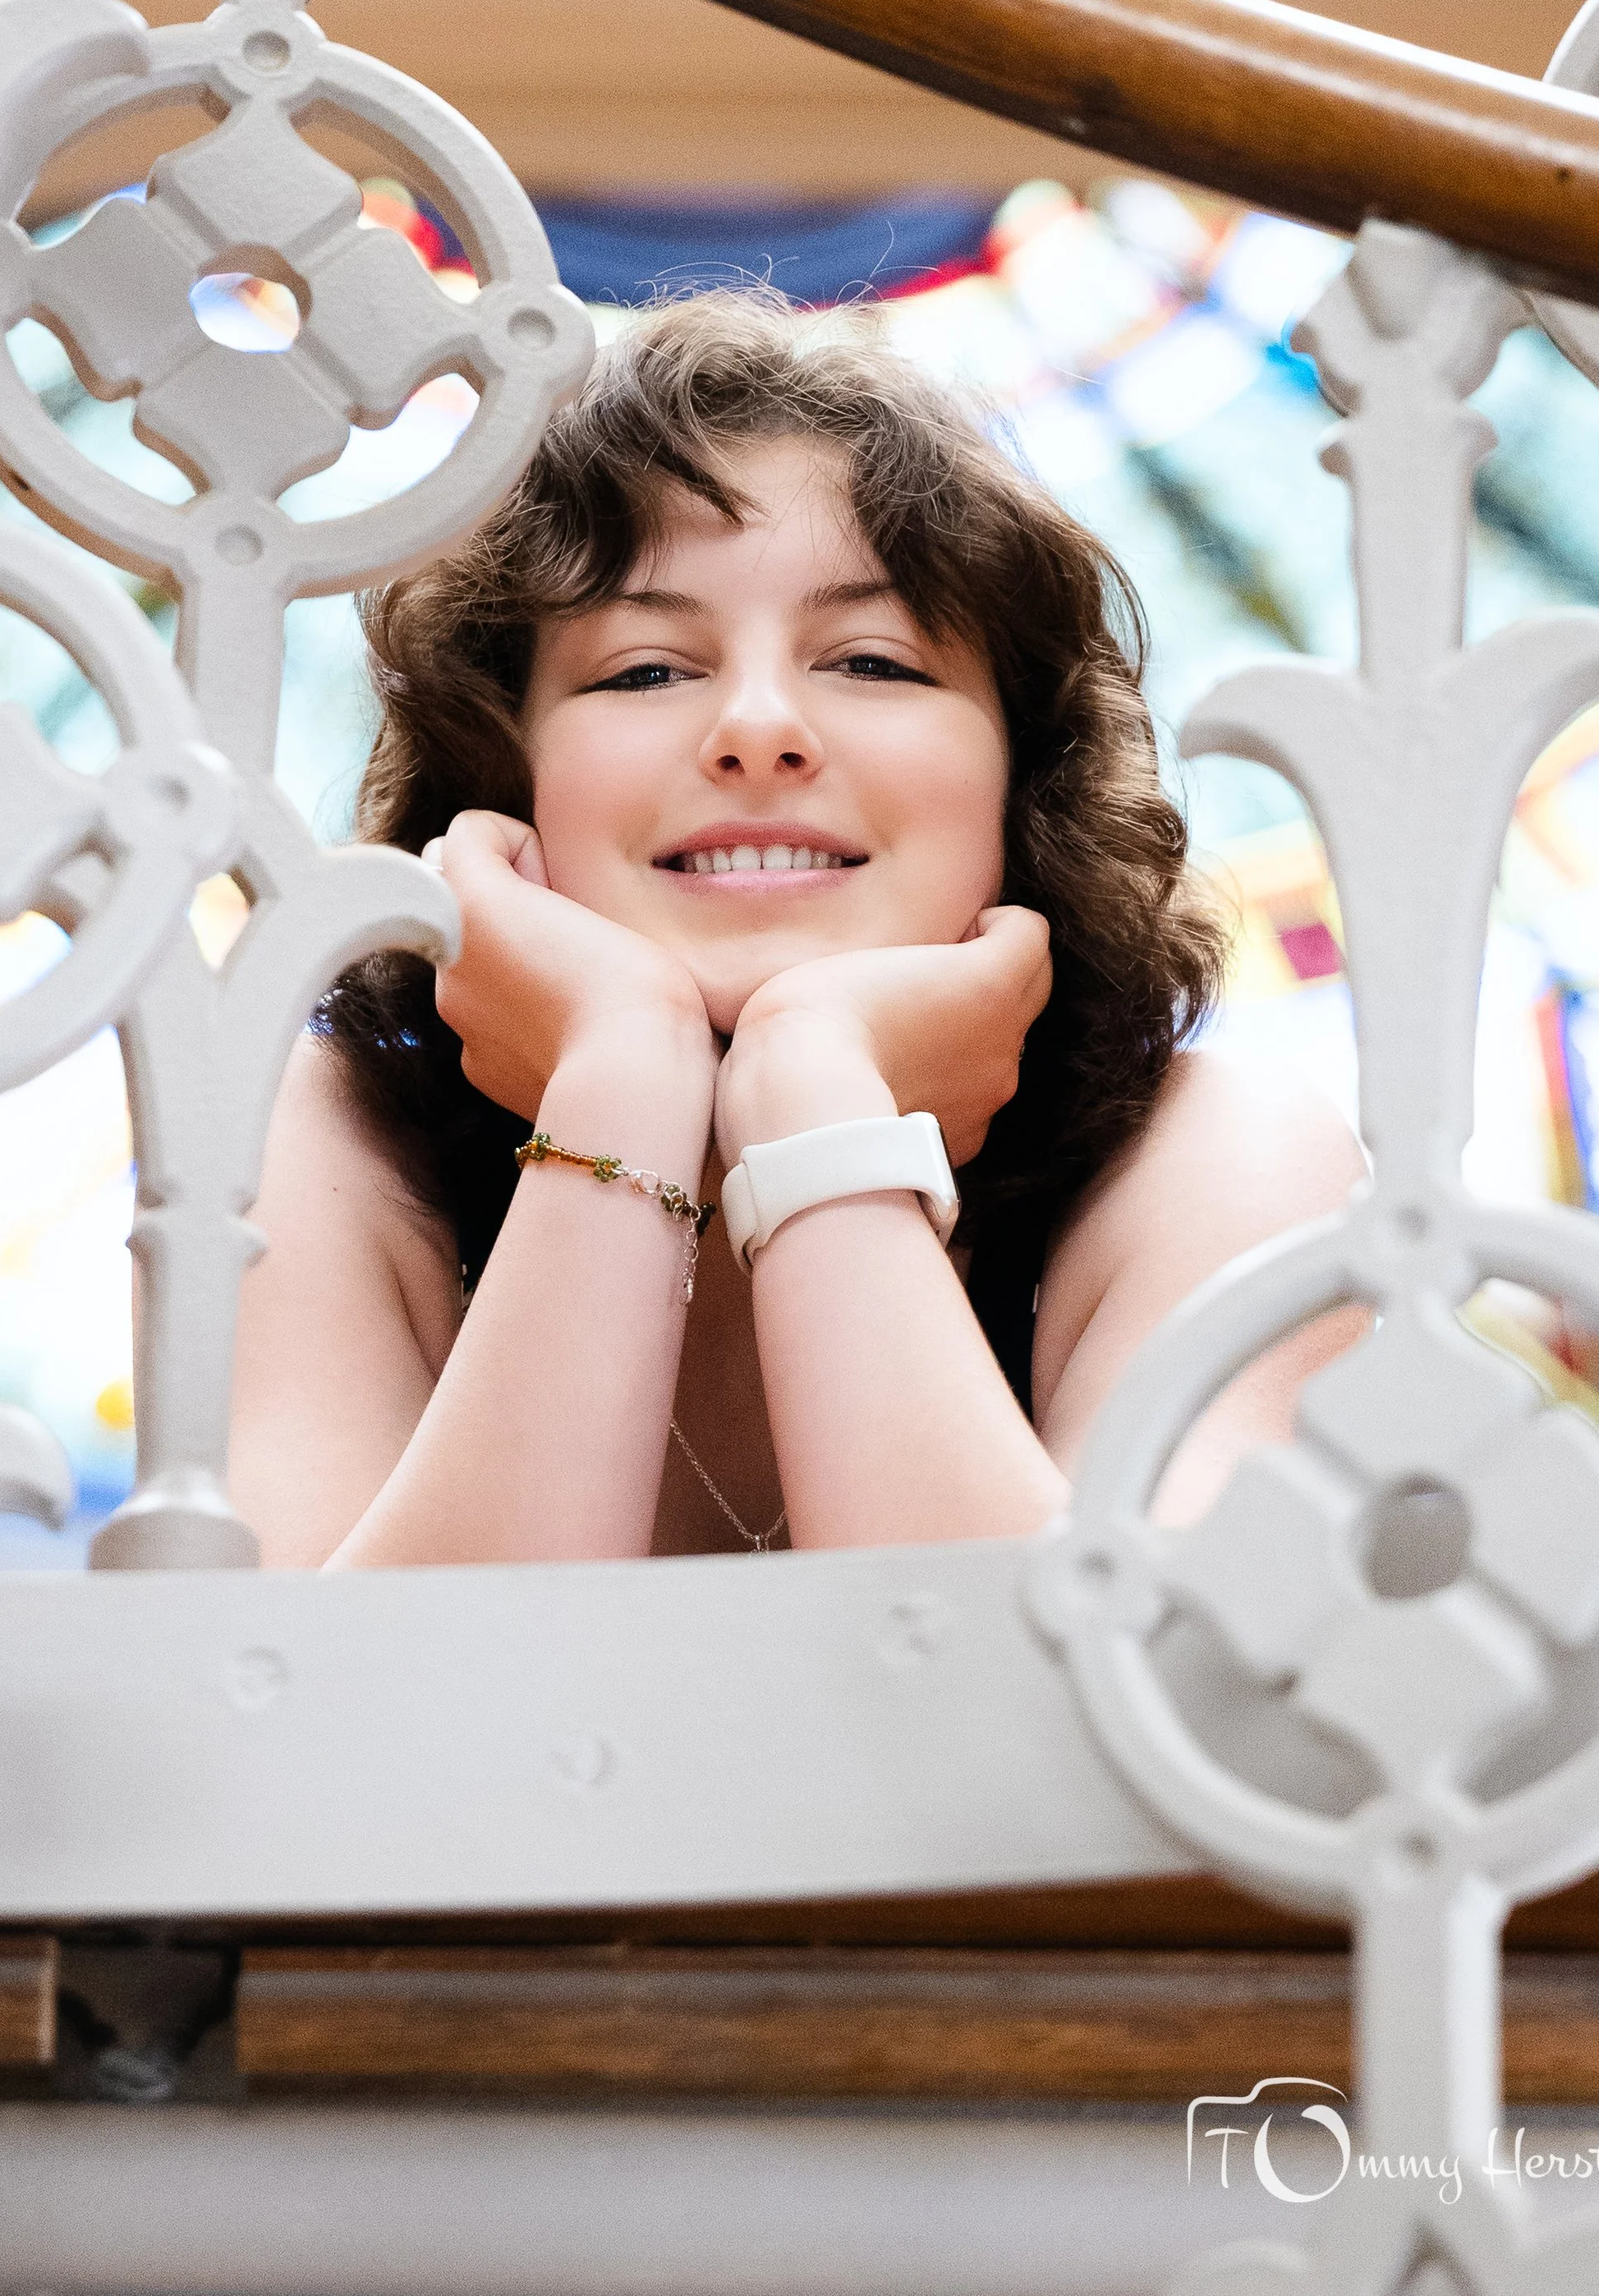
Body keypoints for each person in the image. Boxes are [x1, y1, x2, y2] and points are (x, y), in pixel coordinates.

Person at [228, 293, 1363, 1568]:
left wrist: (817, 1091)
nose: (759, 728)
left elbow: (1084, 1731)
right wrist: (619, 1077)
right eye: (645, 669)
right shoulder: (324, 1144)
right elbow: (339, 1743)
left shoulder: (1222, 1153)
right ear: (502, 781)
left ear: (1021, 781)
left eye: (873, 662)